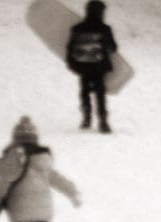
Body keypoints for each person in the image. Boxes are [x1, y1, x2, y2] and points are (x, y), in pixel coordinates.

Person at [66, 0, 118, 133]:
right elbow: (112, 47)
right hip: (99, 66)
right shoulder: (104, 29)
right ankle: (103, 121)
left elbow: (70, 47)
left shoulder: (77, 28)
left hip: (83, 66)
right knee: (100, 93)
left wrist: (71, 63)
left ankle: (86, 118)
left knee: (85, 90)